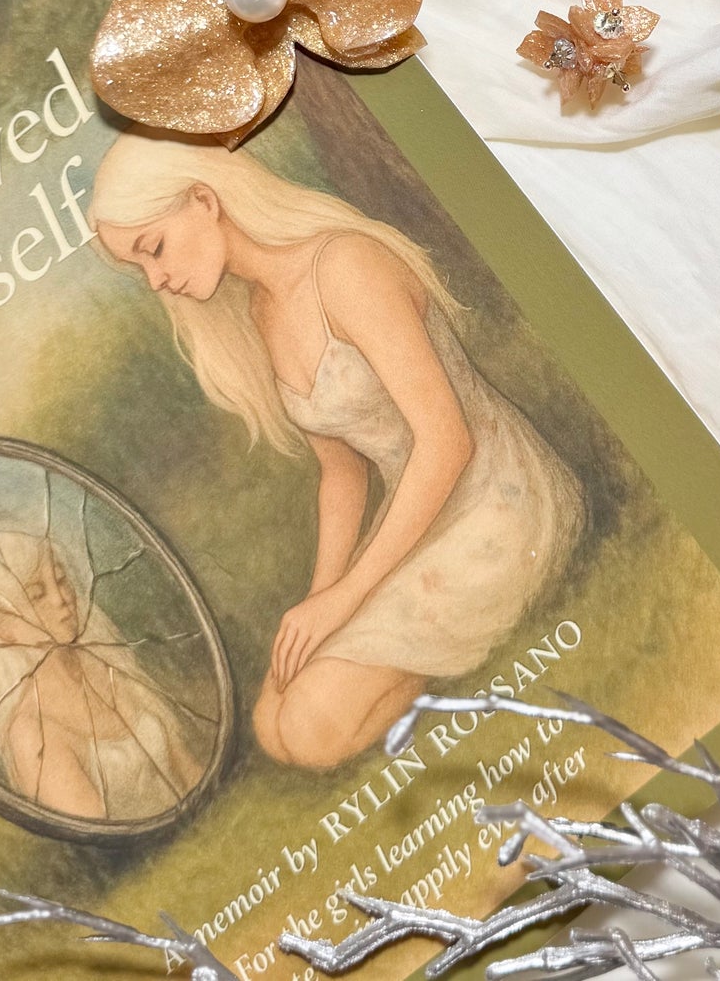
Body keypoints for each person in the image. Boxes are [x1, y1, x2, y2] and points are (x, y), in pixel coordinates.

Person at [90, 135, 584, 773]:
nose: (157, 280)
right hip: (416, 517)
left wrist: (345, 599)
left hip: (493, 498)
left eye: (153, 249)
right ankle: (400, 666)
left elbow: (448, 440)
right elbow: (341, 472)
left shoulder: (345, 266)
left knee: (311, 729)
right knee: (275, 722)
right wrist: (317, 607)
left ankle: (438, 667)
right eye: (141, 269)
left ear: (204, 200)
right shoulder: (265, 313)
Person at [0, 527, 203, 821]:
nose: (62, 600)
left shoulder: (110, 666)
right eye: (37, 594)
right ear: (0, 625)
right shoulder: (32, 732)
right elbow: (98, 833)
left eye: (60, 580)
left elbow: (190, 772)